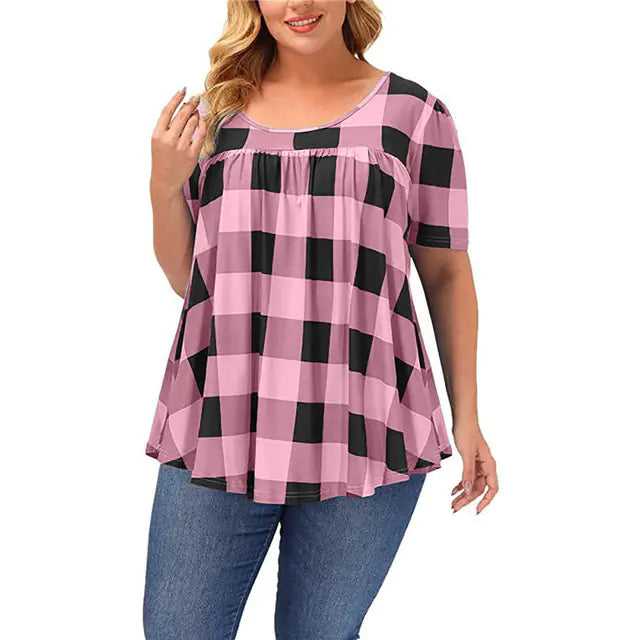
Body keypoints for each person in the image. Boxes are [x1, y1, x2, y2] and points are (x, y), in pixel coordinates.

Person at [144, 1, 498, 638]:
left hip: (366, 425)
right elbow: (190, 283)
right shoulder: (216, 116)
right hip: (224, 418)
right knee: (177, 628)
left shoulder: (415, 115)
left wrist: (467, 416)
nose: (299, 4)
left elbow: (446, 272)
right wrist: (164, 186)